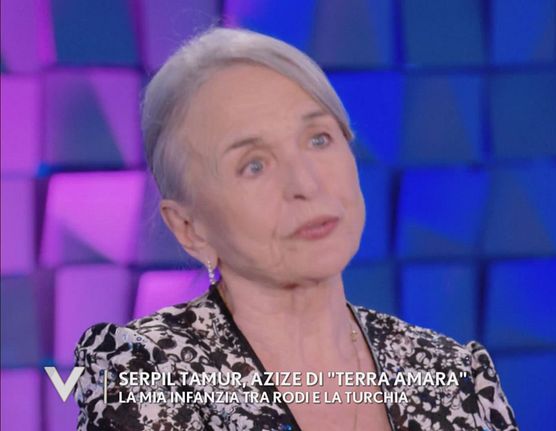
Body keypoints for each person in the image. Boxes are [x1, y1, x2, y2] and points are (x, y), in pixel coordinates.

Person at [73, 26, 520, 431]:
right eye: (254, 165)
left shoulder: (453, 376)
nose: (305, 183)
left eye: (318, 139)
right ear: (190, 228)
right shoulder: (147, 374)